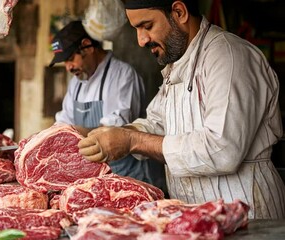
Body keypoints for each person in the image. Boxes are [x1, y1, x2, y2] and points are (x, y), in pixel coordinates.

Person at [78, 0, 285, 219]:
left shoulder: (229, 56)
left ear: (179, 12)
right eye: (136, 29)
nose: (141, 40)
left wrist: (131, 140)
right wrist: (110, 135)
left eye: (147, 26)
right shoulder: (178, 65)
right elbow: (155, 124)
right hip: (197, 217)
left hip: (247, 213)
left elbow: (222, 149)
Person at [49, 20, 166, 187]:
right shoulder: (76, 81)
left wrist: (71, 132)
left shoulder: (122, 75)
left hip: (126, 178)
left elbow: (115, 129)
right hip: (92, 178)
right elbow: (64, 120)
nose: (68, 67)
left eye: (70, 58)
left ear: (87, 46)